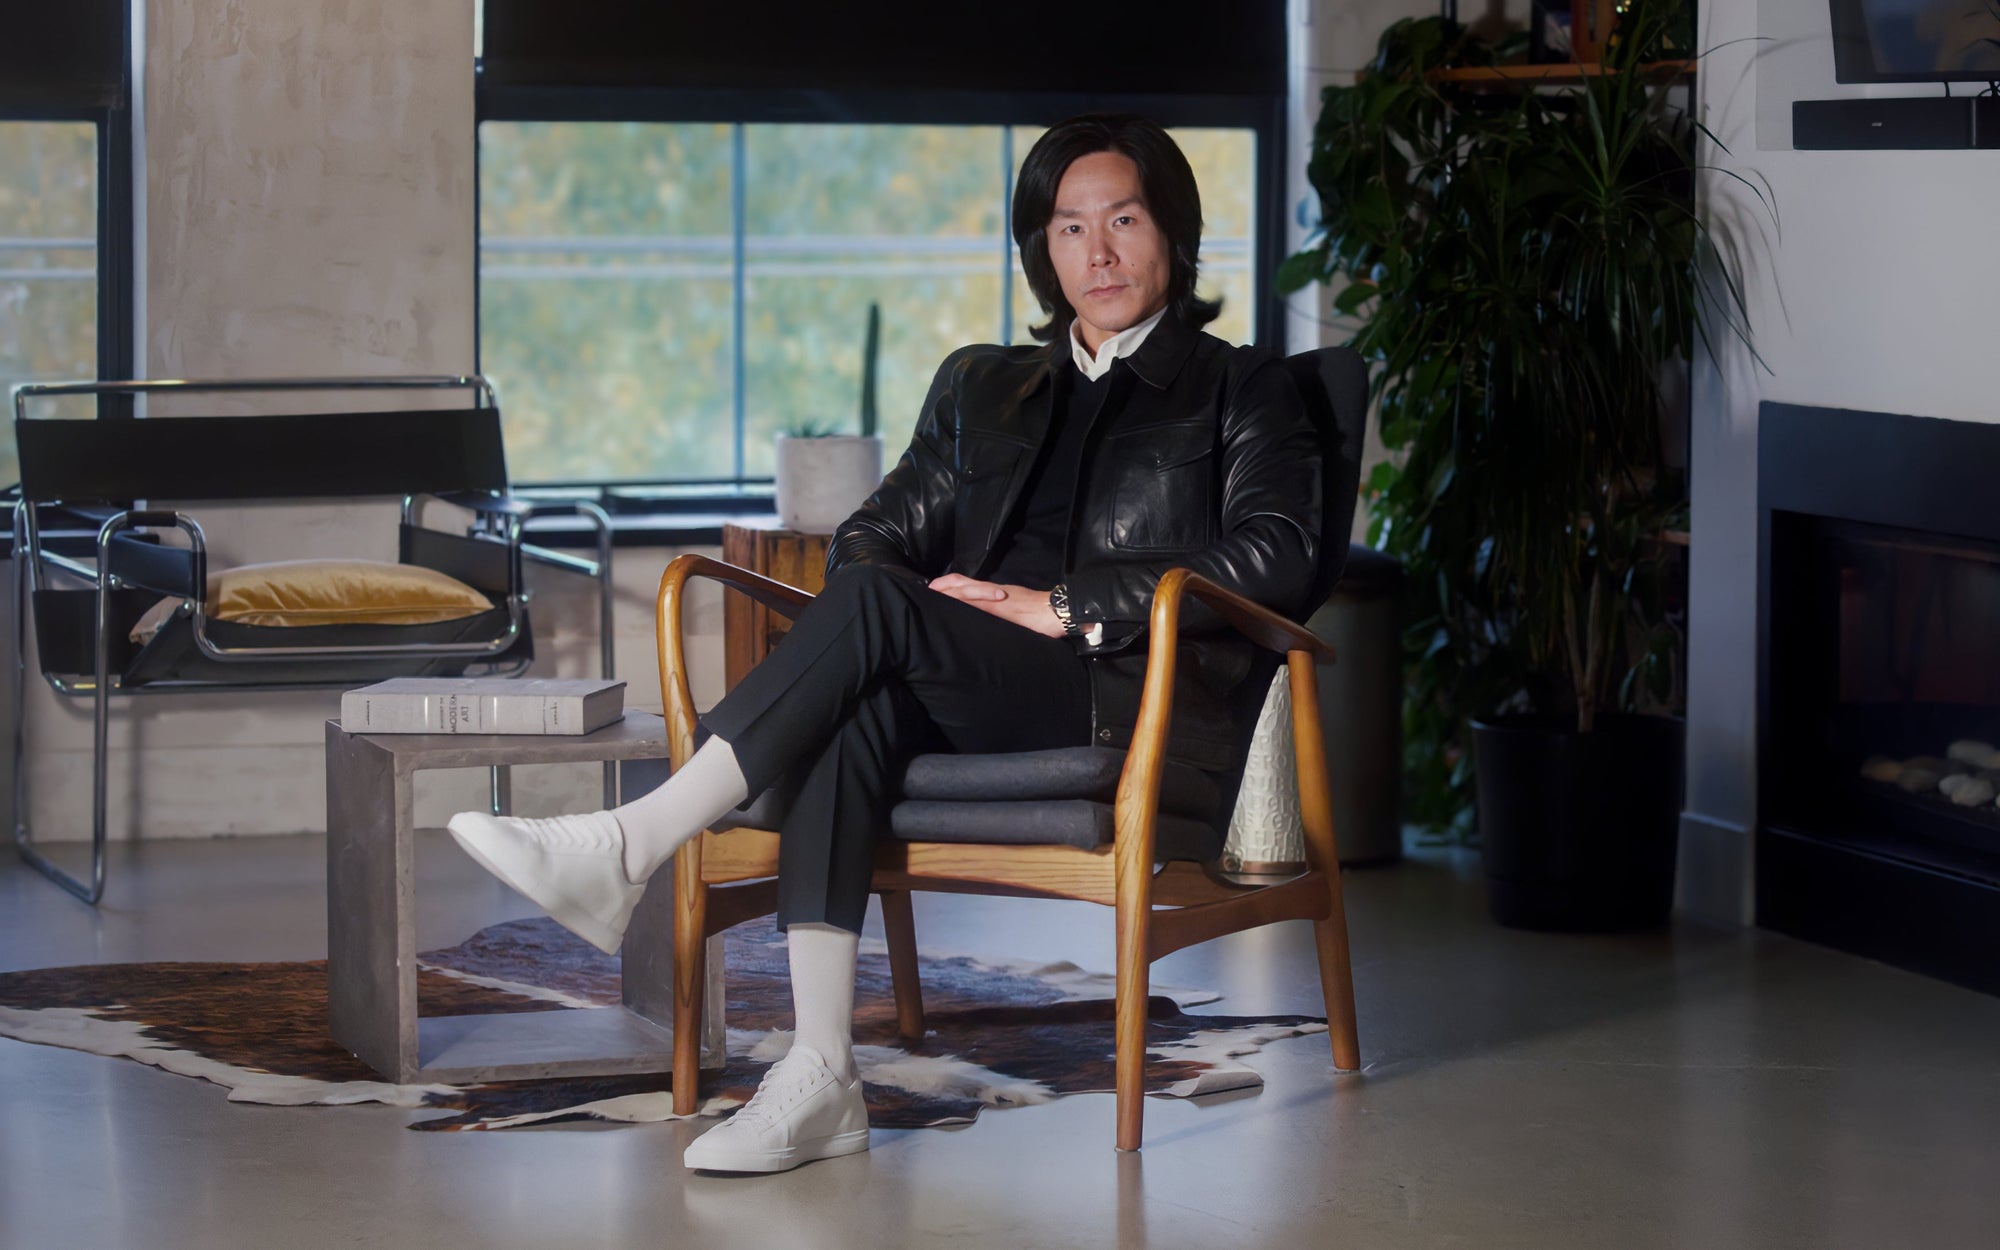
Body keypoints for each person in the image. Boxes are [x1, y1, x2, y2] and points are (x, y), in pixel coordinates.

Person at [446, 113, 1323, 1173]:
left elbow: (1277, 553)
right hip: (976, 675)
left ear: (1172, 232)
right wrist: (947, 597)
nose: (1096, 252)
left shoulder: (1240, 387)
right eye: (1066, 228)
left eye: (1123, 220)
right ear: (1039, 254)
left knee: (872, 610)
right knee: (858, 665)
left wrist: (1058, 603)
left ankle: (629, 841)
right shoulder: (984, 388)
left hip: (1116, 691)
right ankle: (821, 1070)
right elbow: (873, 533)